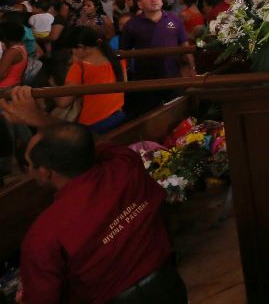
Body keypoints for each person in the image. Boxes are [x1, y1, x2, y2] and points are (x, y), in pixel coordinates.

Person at [0, 89, 188, 303]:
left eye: (29, 164)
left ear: (45, 172)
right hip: (168, 285)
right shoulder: (124, 166)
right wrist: (39, 118)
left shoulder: (43, 235)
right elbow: (91, 142)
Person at [120, 0, 195, 116]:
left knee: (178, 112)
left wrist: (192, 67)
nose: (153, 0)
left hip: (172, 75)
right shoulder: (132, 25)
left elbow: (184, 44)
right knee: (150, 114)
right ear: (140, 4)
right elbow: (123, 53)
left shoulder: (174, 19)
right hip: (146, 79)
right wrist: (124, 80)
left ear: (161, 1)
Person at [56, 25, 127, 133]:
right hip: (118, 116)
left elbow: (63, 102)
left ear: (81, 47)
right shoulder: (118, 59)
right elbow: (124, 86)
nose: (72, 53)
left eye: (72, 49)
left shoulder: (80, 67)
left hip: (93, 123)